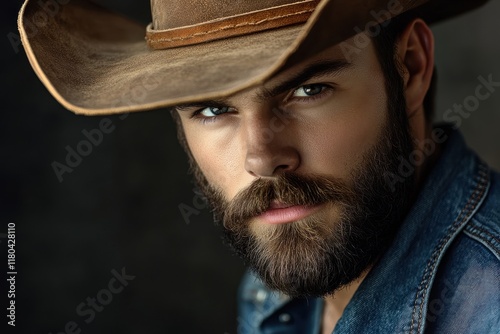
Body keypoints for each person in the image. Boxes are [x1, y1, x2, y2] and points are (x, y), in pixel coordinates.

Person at [18, 0, 499, 332]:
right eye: (212, 110)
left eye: (308, 91)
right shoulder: (281, 274)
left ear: (410, 67)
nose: (262, 160)